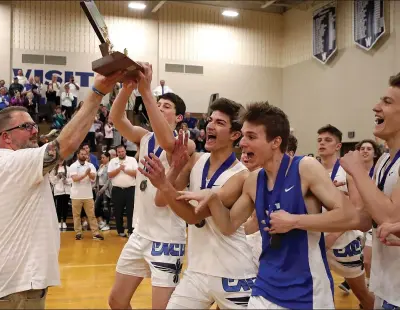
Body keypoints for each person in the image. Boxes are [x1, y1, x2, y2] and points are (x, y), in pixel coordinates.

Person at [144, 102, 369, 309]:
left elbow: (352, 218)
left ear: (275, 142)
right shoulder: (254, 179)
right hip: (265, 285)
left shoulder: (305, 168)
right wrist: (212, 199)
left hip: (307, 288)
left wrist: (295, 221)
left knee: (365, 294)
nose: (242, 143)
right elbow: (229, 225)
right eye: (242, 136)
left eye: (251, 137)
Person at [0, 70, 125, 309]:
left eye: (34, 124)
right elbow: (65, 145)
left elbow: (72, 139)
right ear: (5, 136)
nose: (35, 130)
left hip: (18, 284)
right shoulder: (10, 163)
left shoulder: (11, 163)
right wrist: (97, 92)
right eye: (26, 126)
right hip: (17, 288)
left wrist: (97, 99)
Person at [140, 98, 257, 309]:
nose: (210, 125)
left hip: (233, 273)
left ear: (235, 135)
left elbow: (195, 215)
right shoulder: (195, 161)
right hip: (197, 271)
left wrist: (164, 184)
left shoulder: (241, 176)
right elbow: (160, 200)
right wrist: (172, 171)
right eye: (210, 120)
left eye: (220, 123)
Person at [108, 63, 194, 310]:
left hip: (167, 237)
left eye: (166, 106)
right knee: (116, 300)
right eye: (158, 104)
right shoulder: (144, 137)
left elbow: (167, 142)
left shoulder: (182, 144)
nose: (159, 107)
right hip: (141, 233)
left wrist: (146, 91)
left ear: (179, 118)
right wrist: (128, 87)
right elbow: (116, 118)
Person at [340, 72, 400, 309]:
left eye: (387, 102)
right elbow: (365, 219)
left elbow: (389, 218)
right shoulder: (384, 160)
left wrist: (358, 172)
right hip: (385, 284)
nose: (376, 107)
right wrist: (301, 222)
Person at [316, 125, 373, 308]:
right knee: (320, 292)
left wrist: (334, 235)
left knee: (362, 294)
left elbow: (356, 208)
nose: (322, 143)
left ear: (338, 145)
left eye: (327, 140)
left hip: (343, 241)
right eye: (319, 140)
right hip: (317, 240)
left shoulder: (346, 171)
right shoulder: (312, 169)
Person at [355, 139, 382, 284]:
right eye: (362, 148)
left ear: (374, 153)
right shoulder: (351, 172)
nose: (365, 151)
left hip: (375, 219)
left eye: (369, 149)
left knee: (367, 259)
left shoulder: (378, 170)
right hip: (359, 219)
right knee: (363, 260)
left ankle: (370, 286)